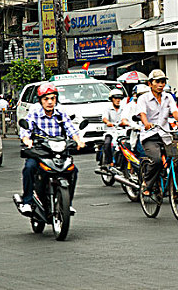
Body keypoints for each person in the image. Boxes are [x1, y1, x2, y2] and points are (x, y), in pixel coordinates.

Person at [19, 82, 85, 215]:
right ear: (40, 100)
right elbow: (26, 129)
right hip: (40, 149)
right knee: (29, 168)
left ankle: (67, 203)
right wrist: (27, 140)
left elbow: (70, 129)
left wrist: (78, 141)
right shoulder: (35, 112)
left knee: (73, 171)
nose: (49, 102)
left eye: (52, 98)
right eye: (46, 99)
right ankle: (27, 202)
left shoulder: (61, 112)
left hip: (58, 149)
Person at [137, 69, 178, 198]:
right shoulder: (143, 98)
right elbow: (142, 114)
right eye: (157, 81)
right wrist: (146, 124)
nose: (161, 84)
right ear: (150, 84)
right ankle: (147, 183)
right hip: (150, 136)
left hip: (166, 134)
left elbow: (175, 112)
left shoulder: (168, 97)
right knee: (157, 160)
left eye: (163, 82)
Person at [101, 89, 126, 168]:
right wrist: (108, 122)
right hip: (111, 131)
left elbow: (126, 118)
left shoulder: (124, 108)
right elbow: (104, 118)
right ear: (112, 99)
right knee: (107, 144)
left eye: (119, 98)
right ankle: (109, 161)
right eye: (116, 98)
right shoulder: (107, 108)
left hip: (122, 131)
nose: (118, 100)